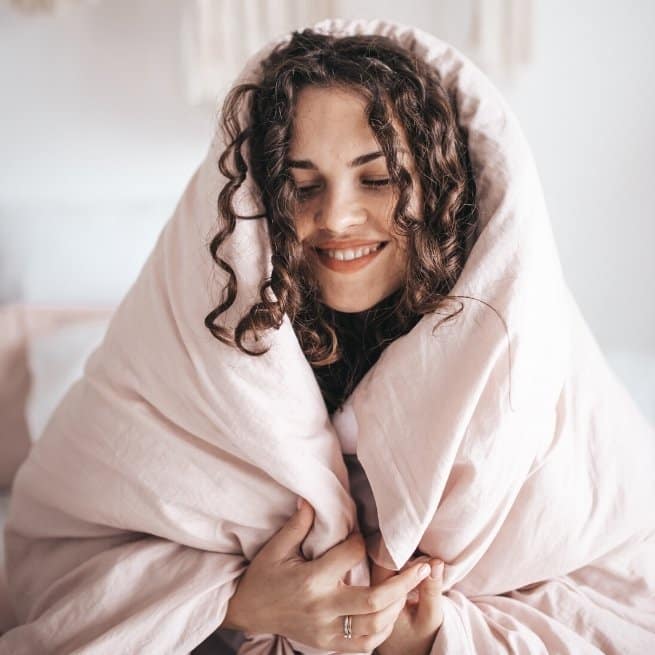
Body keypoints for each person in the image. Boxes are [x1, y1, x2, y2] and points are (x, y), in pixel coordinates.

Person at [2, 18, 654, 655]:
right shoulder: (176, 348)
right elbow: (53, 567)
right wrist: (235, 605)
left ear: (438, 186)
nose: (336, 217)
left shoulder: (530, 351)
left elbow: (624, 591)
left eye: (377, 179)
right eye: (302, 185)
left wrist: (433, 640)